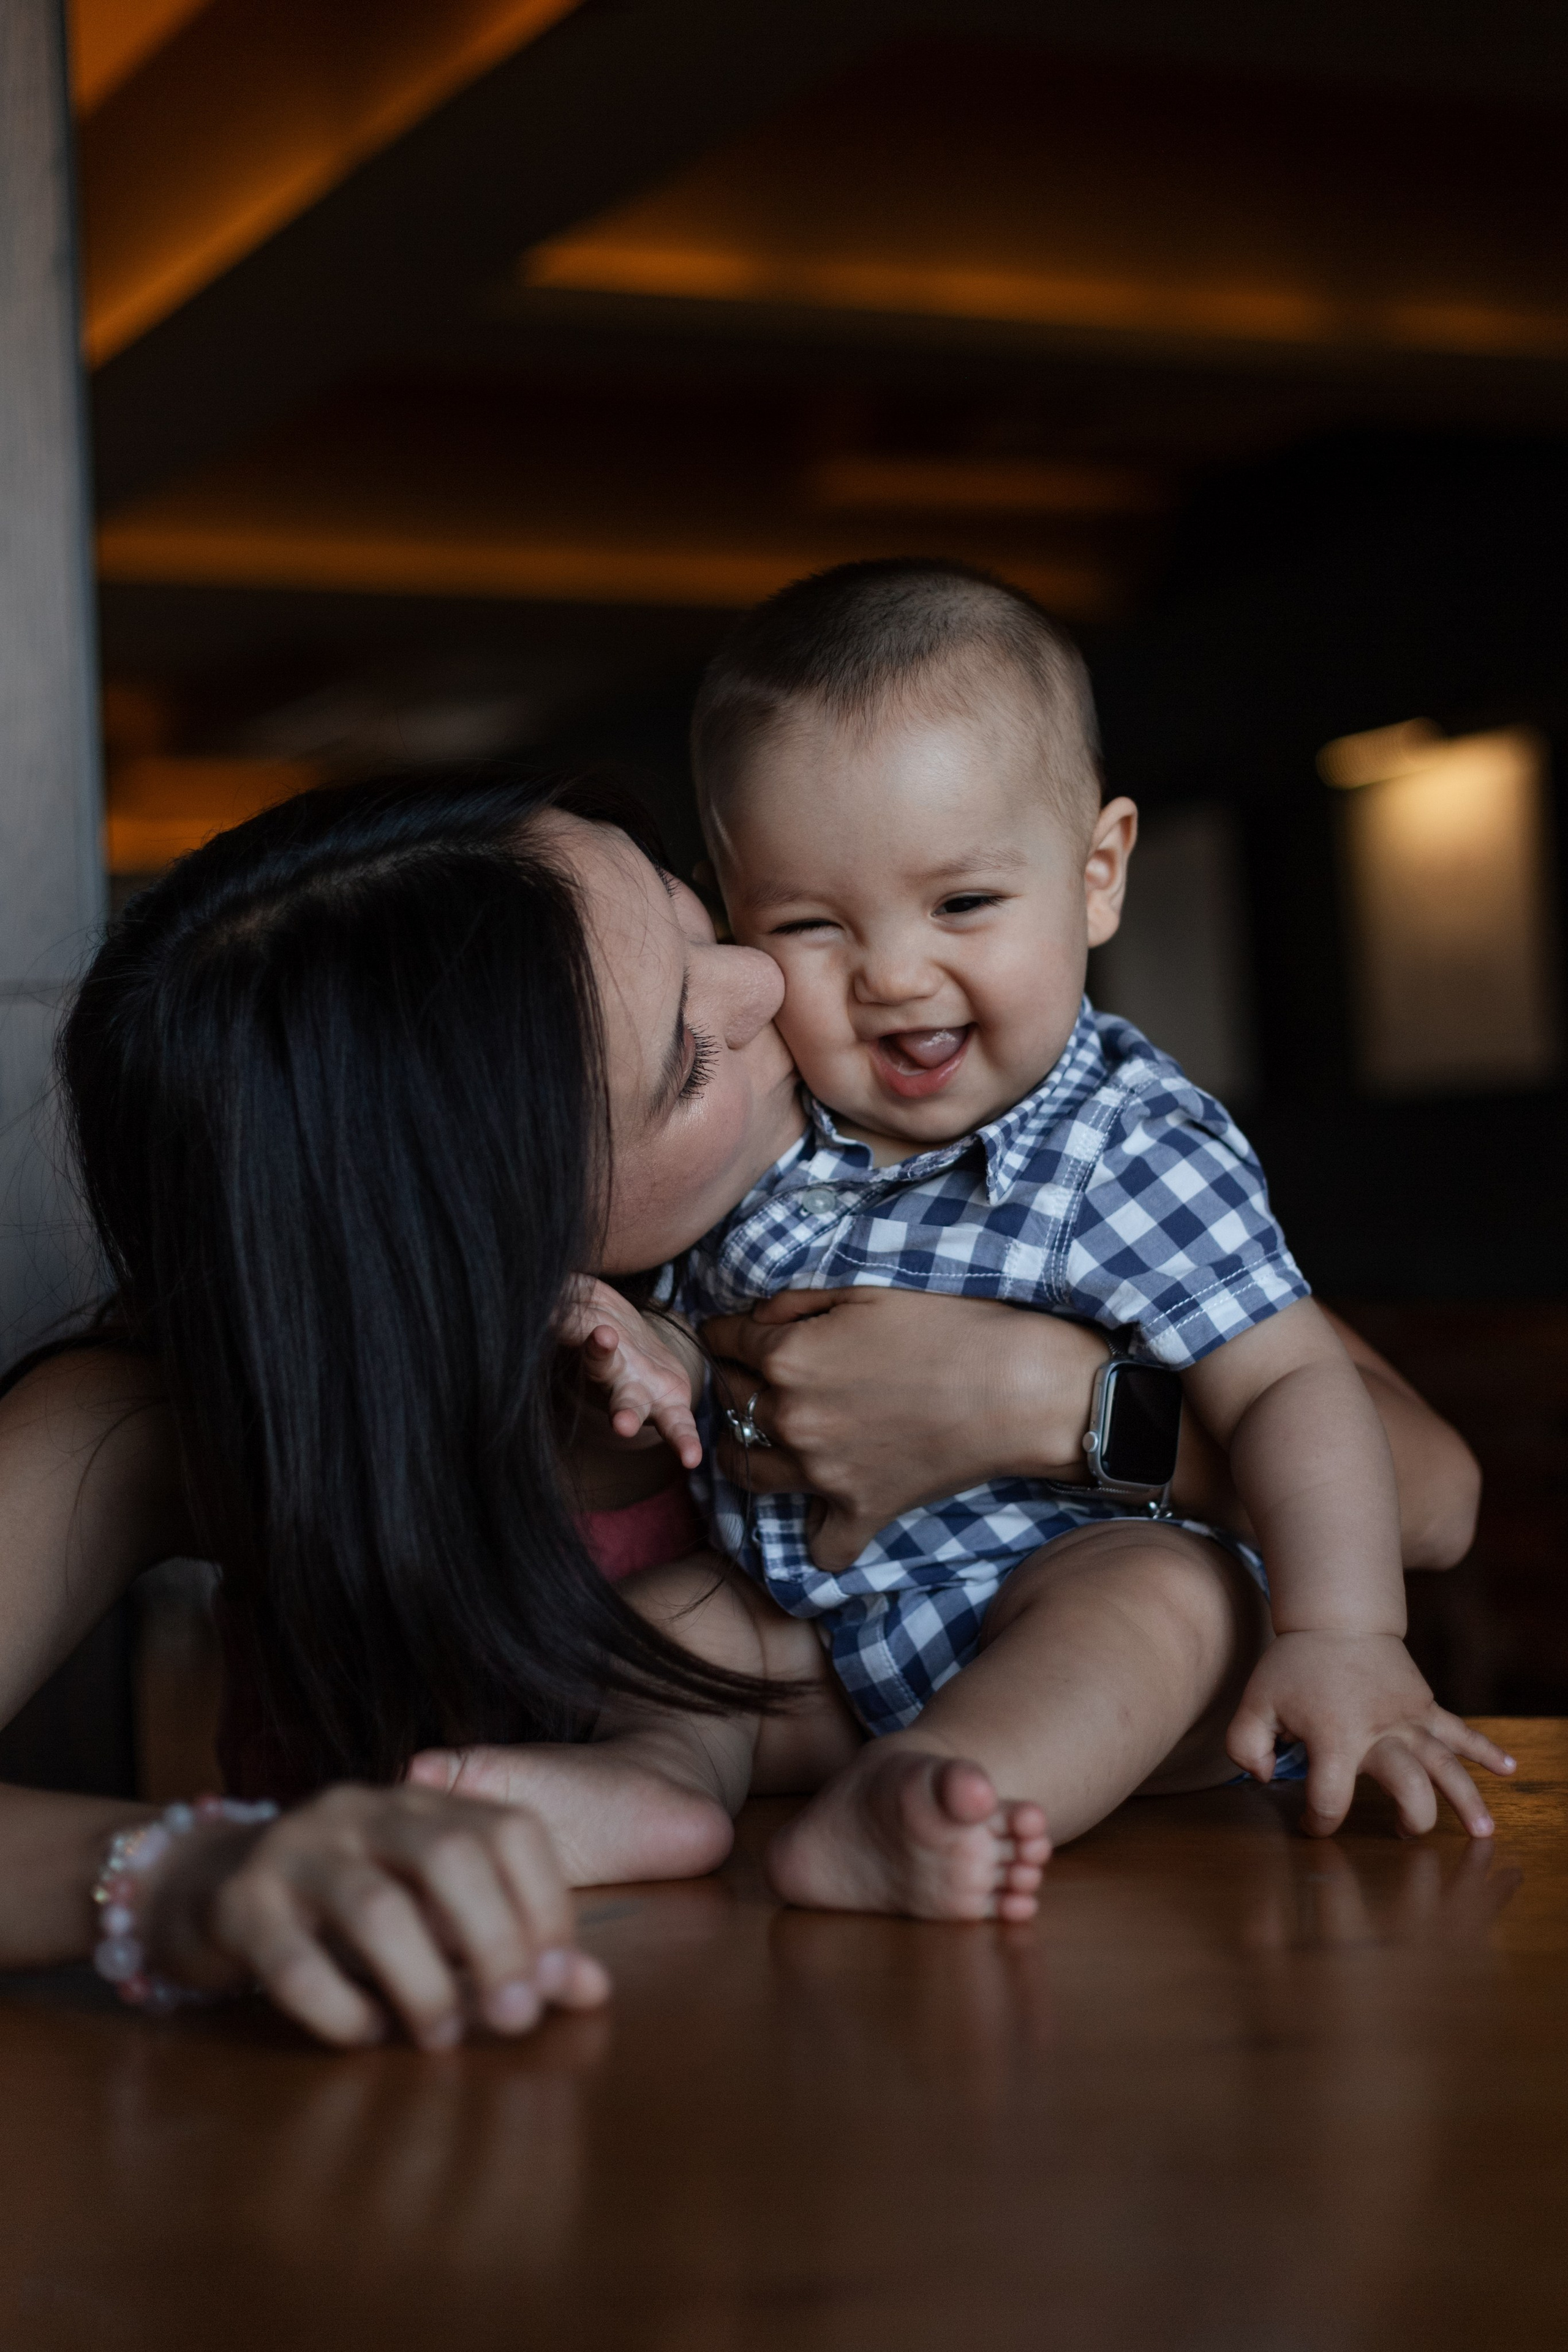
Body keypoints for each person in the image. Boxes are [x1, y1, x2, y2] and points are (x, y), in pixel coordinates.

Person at [0, 763, 1481, 2006]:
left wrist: (1049, 1402)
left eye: (686, 907)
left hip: (956, 2016)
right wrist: (193, 1871)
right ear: (481, 1231)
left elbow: (1427, 1494)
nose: (772, 982)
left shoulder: (923, 1143)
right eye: (685, 1059)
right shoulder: (163, 1419)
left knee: (1177, 1596)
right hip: (468, 2084)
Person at [415, 563, 1510, 1920]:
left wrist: (1343, 1633)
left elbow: (1295, 1384)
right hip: (816, 1634)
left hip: (1068, 1614)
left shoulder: (1128, 1144)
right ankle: (658, 1788)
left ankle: (939, 1790)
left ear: (1096, 874)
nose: (891, 977)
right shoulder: (772, 1127)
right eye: (811, 925)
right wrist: (644, 1354)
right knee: (671, 1628)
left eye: (962, 907)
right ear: (738, 917)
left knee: (1160, 1596)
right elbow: (738, 1355)